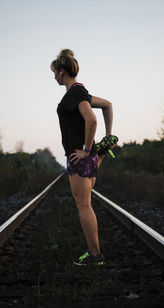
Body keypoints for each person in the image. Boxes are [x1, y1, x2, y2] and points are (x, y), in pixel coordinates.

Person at [51, 49, 118, 266]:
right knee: (84, 203)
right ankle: (101, 152)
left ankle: (94, 255)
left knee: (84, 205)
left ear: (62, 72)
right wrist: (108, 137)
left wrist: (87, 151)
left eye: (54, 73)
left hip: (80, 158)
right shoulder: (82, 93)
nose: (54, 77)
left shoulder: (74, 94)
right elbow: (107, 104)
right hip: (86, 158)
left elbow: (91, 120)